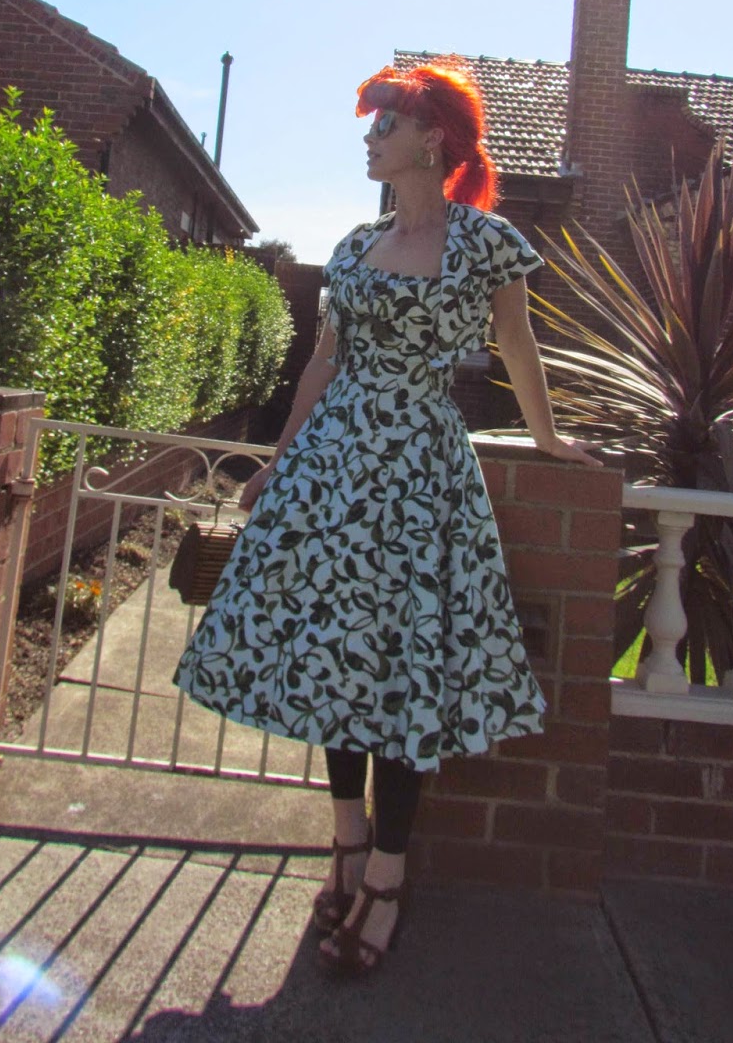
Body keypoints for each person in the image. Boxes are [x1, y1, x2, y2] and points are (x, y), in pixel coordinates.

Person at [173, 59, 600, 977]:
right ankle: (347, 845)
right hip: (332, 473)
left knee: (402, 670)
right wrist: (279, 460)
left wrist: (547, 440)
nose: (370, 140)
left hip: (419, 479)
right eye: (371, 126)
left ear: (431, 138)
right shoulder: (356, 244)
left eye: (384, 125)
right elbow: (324, 362)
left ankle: (390, 878)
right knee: (339, 655)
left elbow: (517, 344)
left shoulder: (485, 241)